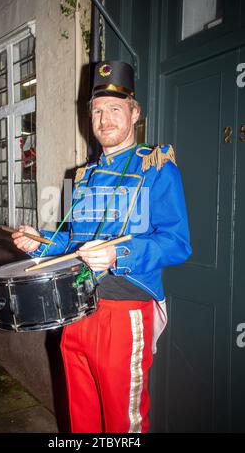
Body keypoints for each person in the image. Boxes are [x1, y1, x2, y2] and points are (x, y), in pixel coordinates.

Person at [12, 60, 192, 433]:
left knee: (122, 422)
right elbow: (72, 242)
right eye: (96, 110)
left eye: (115, 109)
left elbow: (177, 243)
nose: (104, 119)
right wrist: (39, 242)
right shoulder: (83, 176)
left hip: (123, 313)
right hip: (74, 310)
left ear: (135, 113)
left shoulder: (156, 166)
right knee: (82, 419)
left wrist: (118, 254)